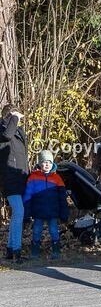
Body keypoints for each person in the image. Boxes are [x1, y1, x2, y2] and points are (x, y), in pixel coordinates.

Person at [23, 150, 69, 259]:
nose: (47, 164)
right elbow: (27, 196)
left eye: (49, 162)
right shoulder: (33, 177)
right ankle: (35, 252)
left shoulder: (57, 178)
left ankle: (56, 251)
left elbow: (62, 198)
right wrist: (26, 213)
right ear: (40, 163)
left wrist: (64, 213)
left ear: (52, 163)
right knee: (36, 231)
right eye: (44, 162)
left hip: (52, 212)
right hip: (38, 212)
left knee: (54, 231)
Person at [1, 105, 28, 262]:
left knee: (17, 214)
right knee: (19, 212)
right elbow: (6, 135)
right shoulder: (3, 130)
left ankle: (11, 250)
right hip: (9, 178)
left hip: (19, 178)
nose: (19, 120)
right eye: (16, 117)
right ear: (10, 117)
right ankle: (16, 250)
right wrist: (14, 117)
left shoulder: (17, 132)